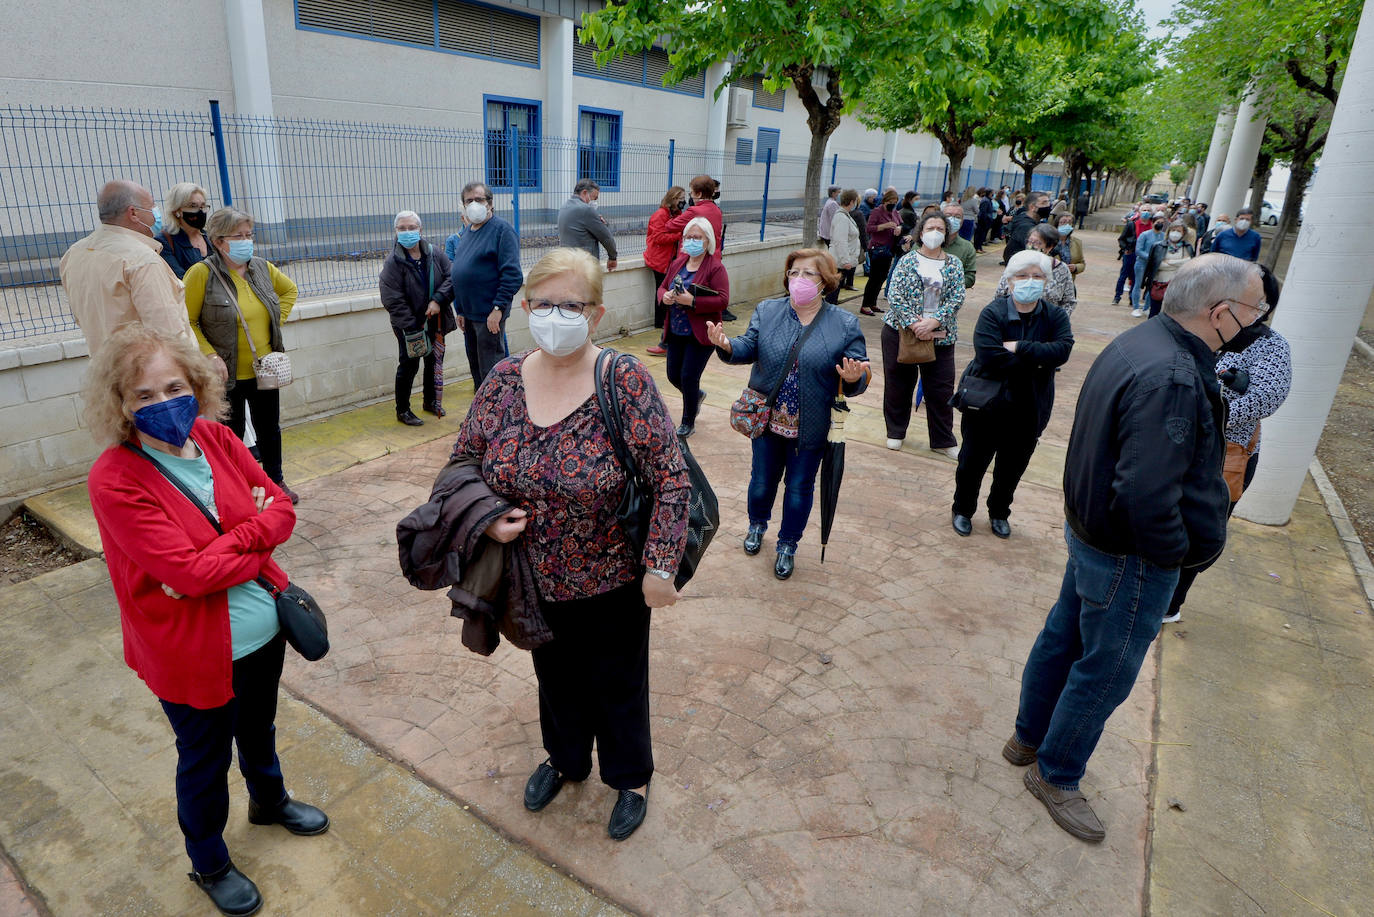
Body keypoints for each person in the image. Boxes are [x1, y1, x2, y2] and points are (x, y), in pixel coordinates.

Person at [1004, 254, 1262, 843]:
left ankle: (1028, 736)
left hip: (1093, 534)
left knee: (1063, 638)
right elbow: (1145, 494)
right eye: (1253, 309)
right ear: (1219, 312)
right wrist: (1174, 554)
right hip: (1130, 555)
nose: (1257, 320)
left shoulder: (1142, 340)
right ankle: (1055, 772)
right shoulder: (1170, 374)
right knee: (1105, 669)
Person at [84, 324, 328, 916]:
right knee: (204, 758)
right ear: (119, 404)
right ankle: (209, 859)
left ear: (196, 384)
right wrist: (253, 534)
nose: (164, 402)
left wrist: (230, 549)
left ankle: (269, 800)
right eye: (143, 395)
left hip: (264, 632)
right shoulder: (116, 478)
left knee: (259, 727)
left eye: (174, 386)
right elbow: (188, 576)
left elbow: (283, 506)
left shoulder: (217, 438)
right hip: (190, 651)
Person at [452, 247, 688, 842]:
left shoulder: (623, 378)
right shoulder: (504, 380)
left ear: (597, 314)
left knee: (617, 681)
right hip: (530, 576)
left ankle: (630, 778)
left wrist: (661, 566)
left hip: (613, 577)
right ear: (525, 307)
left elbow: (670, 476)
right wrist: (487, 517)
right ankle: (564, 759)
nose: (556, 315)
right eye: (544, 304)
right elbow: (463, 463)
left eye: (572, 305)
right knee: (554, 677)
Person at [706, 249, 870, 580]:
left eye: (808, 274)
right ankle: (757, 525)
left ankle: (787, 544)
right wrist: (725, 346)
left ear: (825, 281)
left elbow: (859, 370)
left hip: (811, 427)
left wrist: (855, 378)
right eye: (794, 273)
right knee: (762, 481)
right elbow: (747, 346)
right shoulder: (768, 311)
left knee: (799, 488)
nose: (798, 280)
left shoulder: (844, 323)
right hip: (767, 421)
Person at [1162, 265, 1288, 623]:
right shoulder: (1204, 327)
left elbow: (1266, 396)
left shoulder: (1271, 346)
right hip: (1176, 444)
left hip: (1225, 455)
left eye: (1254, 300)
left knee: (1200, 525)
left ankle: (1172, 603)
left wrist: (1202, 411)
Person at [951, 250, 1074, 538]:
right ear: (1009, 280)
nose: (1029, 281)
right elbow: (989, 355)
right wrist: (1040, 360)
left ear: (1046, 281)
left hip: (1030, 406)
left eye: (1036, 276)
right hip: (986, 406)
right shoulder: (993, 312)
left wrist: (1019, 347)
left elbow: (1063, 351)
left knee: (1011, 468)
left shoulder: (1054, 316)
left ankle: (999, 513)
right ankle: (963, 509)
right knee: (971, 464)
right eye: (1022, 275)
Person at [184, 207, 301, 504]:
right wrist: (210, 355)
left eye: (249, 235)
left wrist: (276, 321)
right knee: (232, 436)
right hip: (227, 373)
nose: (246, 241)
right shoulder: (201, 274)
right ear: (220, 240)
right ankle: (243, 489)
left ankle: (275, 481)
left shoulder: (260, 266)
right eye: (239, 236)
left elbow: (289, 291)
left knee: (269, 428)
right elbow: (187, 321)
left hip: (266, 367)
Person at [59, 179, 201, 360]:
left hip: (105, 372)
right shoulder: (143, 261)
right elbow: (169, 336)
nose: (157, 214)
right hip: (147, 377)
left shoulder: (74, 254)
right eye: (152, 206)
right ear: (133, 213)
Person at [881, 213, 966, 458]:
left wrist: (934, 321)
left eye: (940, 228)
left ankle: (942, 440)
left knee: (940, 389)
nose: (935, 232)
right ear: (921, 232)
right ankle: (895, 432)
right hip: (901, 332)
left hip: (940, 334)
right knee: (898, 385)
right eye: (931, 227)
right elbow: (895, 294)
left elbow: (957, 297)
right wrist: (914, 323)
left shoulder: (954, 264)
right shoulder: (907, 261)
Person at [380, 210, 456, 425]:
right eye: (402, 228)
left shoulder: (434, 253)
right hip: (409, 325)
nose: (407, 232)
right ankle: (402, 410)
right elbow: (392, 299)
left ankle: (430, 401)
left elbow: (452, 277)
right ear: (395, 231)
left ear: (420, 229)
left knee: (433, 360)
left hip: (434, 319)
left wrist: (438, 300)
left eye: (411, 227)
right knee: (409, 365)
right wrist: (413, 327)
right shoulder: (393, 262)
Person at [658, 217, 729, 436]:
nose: (692, 241)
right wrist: (666, 297)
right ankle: (695, 395)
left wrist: (694, 302)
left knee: (689, 376)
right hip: (677, 329)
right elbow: (661, 288)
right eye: (688, 237)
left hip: (701, 333)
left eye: (697, 237)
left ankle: (688, 421)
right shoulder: (678, 263)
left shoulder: (715, 267)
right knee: (673, 375)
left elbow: (723, 300)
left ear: (707, 241)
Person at [450, 181, 522, 386]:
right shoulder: (468, 232)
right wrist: (461, 310)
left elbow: (512, 275)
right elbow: (462, 272)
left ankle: (496, 413)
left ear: (489, 203)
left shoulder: (502, 231)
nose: (474, 204)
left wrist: (498, 308)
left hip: (489, 315)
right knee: (476, 367)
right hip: (469, 315)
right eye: (469, 200)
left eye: (479, 199)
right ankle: (480, 412)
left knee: (492, 369)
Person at [643, 186, 688, 356]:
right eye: (680, 198)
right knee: (660, 291)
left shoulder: (676, 215)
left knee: (666, 292)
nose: (683, 201)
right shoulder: (660, 215)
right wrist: (678, 236)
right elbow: (658, 237)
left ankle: (663, 323)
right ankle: (659, 322)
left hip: (669, 260)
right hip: (659, 260)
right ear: (673, 199)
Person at [995, 224, 1076, 314]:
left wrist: (1057, 322)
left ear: (1049, 247)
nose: (1031, 246)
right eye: (1029, 242)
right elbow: (999, 295)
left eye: (1037, 243)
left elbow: (1069, 302)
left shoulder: (1061, 269)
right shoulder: (1016, 263)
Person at [557, 178, 618, 270]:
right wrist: (612, 257)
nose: (594, 202)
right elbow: (606, 237)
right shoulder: (586, 210)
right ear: (585, 193)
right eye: (594, 198)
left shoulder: (564, 207)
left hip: (567, 261)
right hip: (584, 264)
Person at [1141, 219, 1197, 318]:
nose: (1175, 233)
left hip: (1178, 285)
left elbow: (1188, 264)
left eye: (1179, 231)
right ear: (1168, 231)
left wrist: (1168, 262)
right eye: (1173, 230)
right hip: (1159, 283)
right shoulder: (1158, 246)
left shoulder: (1187, 247)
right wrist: (1179, 263)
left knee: (1172, 314)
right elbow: (1156, 265)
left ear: (1184, 233)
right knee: (1154, 312)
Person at [860, 190, 902, 315]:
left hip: (889, 248)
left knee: (882, 277)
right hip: (877, 248)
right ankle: (865, 304)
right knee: (874, 277)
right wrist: (884, 226)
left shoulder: (894, 212)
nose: (892, 205)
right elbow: (869, 228)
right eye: (890, 202)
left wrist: (898, 228)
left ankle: (873, 303)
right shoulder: (876, 212)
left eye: (895, 203)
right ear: (885, 201)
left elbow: (900, 223)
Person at [160, 182, 212, 279]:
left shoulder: (211, 236)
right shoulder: (164, 241)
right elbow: (180, 280)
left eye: (203, 206)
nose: (200, 211)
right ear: (177, 211)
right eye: (193, 206)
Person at [825, 190, 862, 303]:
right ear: (851, 201)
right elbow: (841, 241)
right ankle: (829, 313)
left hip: (842, 260)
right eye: (855, 201)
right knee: (833, 291)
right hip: (840, 262)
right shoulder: (842, 217)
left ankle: (830, 312)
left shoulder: (845, 216)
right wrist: (845, 261)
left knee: (835, 290)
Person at [1130, 216, 1165, 317]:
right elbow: (1138, 250)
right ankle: (1136, 307)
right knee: (1138, 284)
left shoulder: (1163, 236)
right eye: (1158, 222)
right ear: (1153, 223)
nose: (1160, 224)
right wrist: (1150, 257)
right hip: (1142, 263)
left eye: (1162, 222)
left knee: (1152, 286)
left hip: (1155, 265)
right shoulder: (1145, 235)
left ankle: (1146, 307)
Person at [940, 201, 978, 289]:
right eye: (948, 216)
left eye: (957, 217)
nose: (952, 219)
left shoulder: (967, 247)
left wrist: (946, 283)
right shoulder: (925, 243)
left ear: (962, 221)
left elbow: (970, 278)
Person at [1003, 191, 1049, 263]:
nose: (1048, 206)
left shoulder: (1028, 221)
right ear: (1032, 207)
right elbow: (1034, 251)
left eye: (1048, 202)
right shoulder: (1026, 226)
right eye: (1044, 203)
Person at [1113, 210, 1139, 306]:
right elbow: (1121, 239)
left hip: (1140, 256)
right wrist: (1125, 249)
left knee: (1135, 278)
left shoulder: (1149, 226)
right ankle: (1117, 297)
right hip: (1129, 253)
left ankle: (1132, 298)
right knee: (1123, 276)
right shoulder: (1131, 225)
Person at [1054, 214, 1085, 278]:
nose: (1066, 225)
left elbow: (1082, 263)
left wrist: (1075, 267)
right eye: (1063, 222)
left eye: (1069, 223)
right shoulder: (1048, 240)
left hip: (1068, 281)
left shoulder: (1077, 242)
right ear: (1056, 224)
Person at [975, 188, 997, 252]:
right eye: (993, 193)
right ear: (990, 193)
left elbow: (988, 209)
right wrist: (984, 220)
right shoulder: (985, 201)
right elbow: (983, 212)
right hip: (983, 221)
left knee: (982, 235)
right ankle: (977, 248)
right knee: (980, 235)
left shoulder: (988, 200)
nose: (993, 194)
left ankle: (980, 247)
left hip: (987, 220)